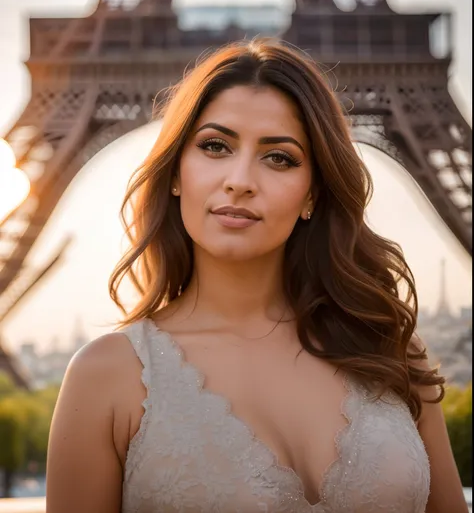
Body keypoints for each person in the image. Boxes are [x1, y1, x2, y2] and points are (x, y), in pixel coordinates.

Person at [46, 39, 468, 513]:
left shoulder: (390, 351)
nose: (241, 179)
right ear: (177, 174)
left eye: (279, 158)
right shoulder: (107, 377)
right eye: (215, 146)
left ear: (312, 194)